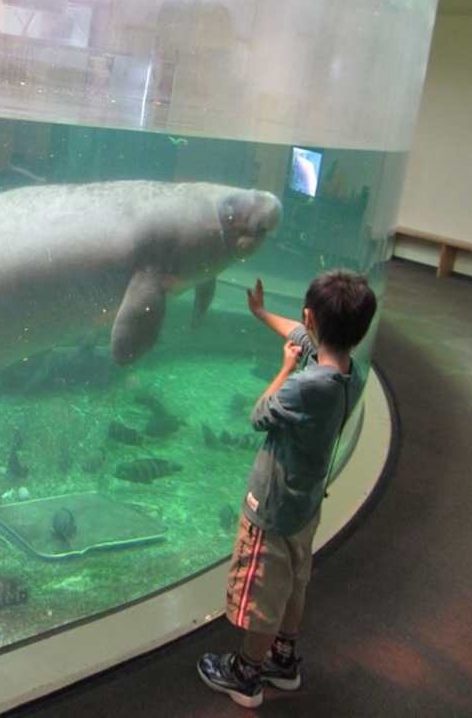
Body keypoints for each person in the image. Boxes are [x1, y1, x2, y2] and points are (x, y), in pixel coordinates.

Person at [197, 270, 378, 708]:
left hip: (272, 509)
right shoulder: (351, 373)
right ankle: (283, 658)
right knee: (295, 583)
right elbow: (300, 333)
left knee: (264, 593)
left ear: (311, 316)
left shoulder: (306, 386)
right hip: (306, 503)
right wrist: (261, 313)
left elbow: (259, 415)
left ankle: (245, 673)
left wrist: (283, 368)